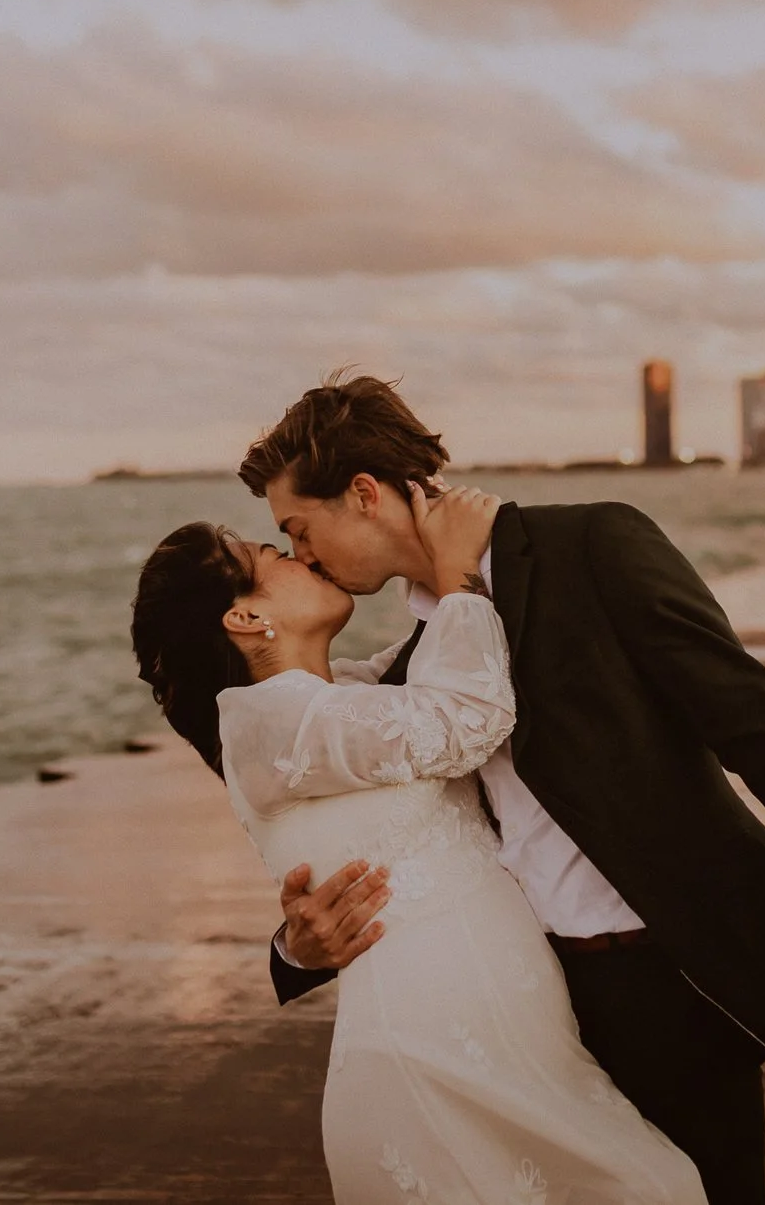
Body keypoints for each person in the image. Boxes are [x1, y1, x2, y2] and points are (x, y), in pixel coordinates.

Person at [245, 377, 765, 1205]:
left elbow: (760, 730)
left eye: (300, 527)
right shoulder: (424, 657)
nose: (304, 554)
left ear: (362, 493)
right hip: (543, 1011)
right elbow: (377, 831)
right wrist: (294, 951)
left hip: (677, 982)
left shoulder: (595, 546)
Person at [132, 483, 706, 1204]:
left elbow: (429, 666)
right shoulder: (271, 723)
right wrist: (456, 570)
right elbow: (467, 712)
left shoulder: (333, 697)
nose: (298, 556)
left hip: (510, 1041)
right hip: (434, 1056)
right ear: (246, 616)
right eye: (273, 551)